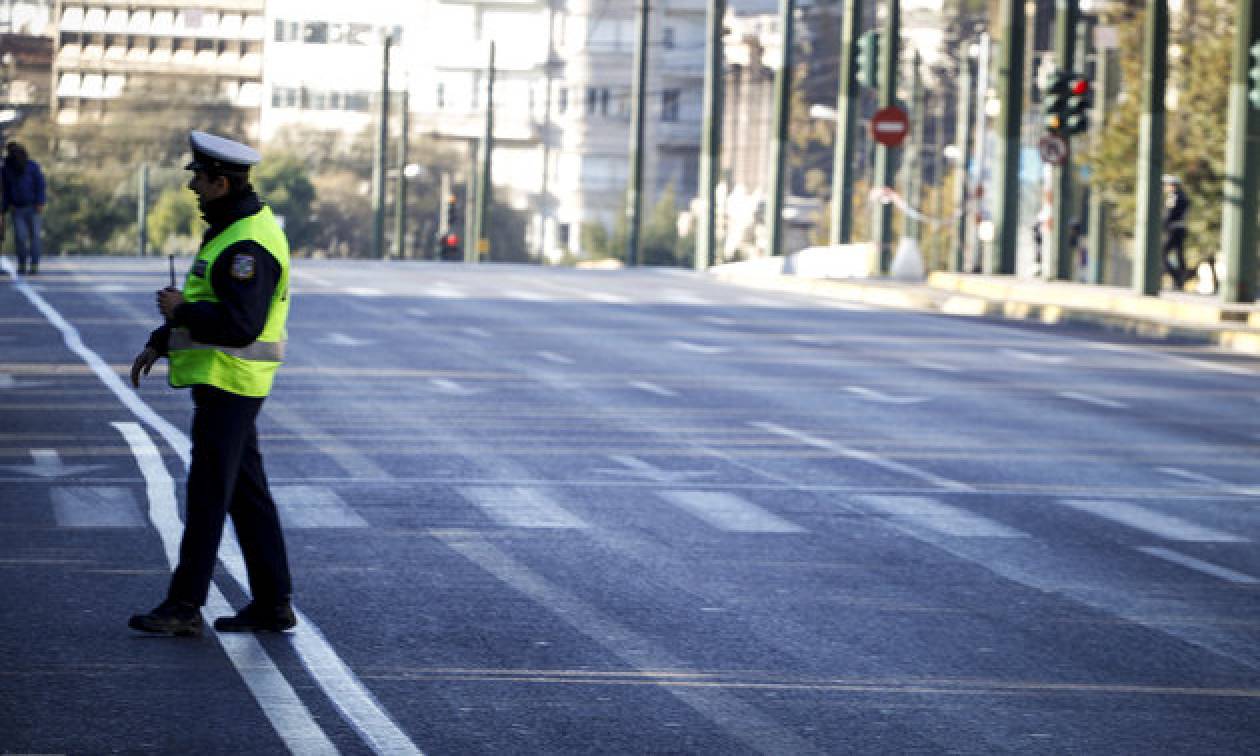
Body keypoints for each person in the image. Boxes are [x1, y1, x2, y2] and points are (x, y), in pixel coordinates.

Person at [128, 131, 295, 637]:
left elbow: (240, 323)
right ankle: (272, 604)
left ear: (221, 181)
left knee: (207, 496)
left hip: (232, 381)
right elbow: (213, 303)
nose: (194, 188)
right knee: (247, 496)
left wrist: (182, 310)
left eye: (199, 179)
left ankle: (184, 606)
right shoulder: (232, 228)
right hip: (227, 380)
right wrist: (164, 336)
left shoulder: (246, 243)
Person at [1, 142, 47, 276]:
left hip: (33, 207)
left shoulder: (32, 166)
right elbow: (6, 190)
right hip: (17, 209)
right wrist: (4, 207)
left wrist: (40, 202)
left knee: (35, 237)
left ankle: (34, 265)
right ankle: (22, 264)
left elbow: (40, 185)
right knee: (20, 237)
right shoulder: (7, 169)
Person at [1162, 174, 1190, 290]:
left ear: (1172, 186)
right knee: (1179, 255)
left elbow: (1169, 214)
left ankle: (1177, 276)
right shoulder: (1183, 196)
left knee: (1161, 254)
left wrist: (1163, 225)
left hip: (1173, 229)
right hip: (1180, 229)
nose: (1165, 187)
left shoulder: (1174, 197)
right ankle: (1180, 278)